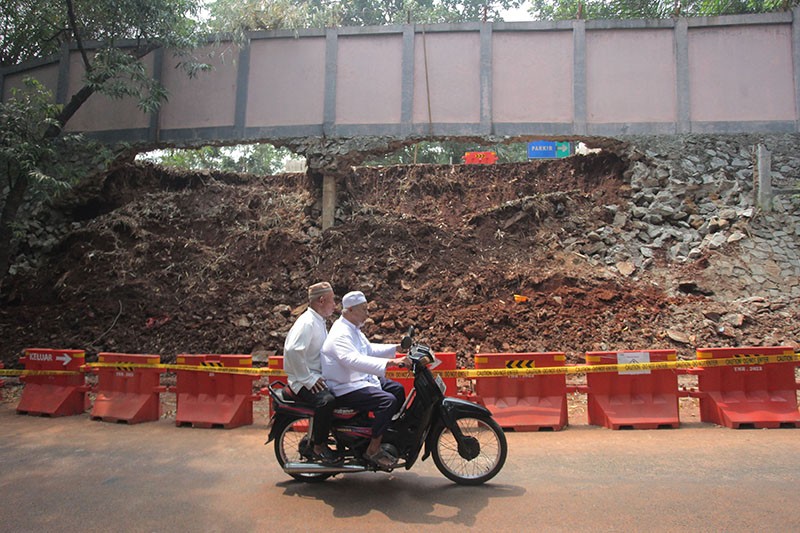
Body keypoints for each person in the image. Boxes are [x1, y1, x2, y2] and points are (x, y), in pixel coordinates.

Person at [320, 290, 408, 470]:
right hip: (345, 386)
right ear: (350, 310)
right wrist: (391, 363)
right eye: (363, 309)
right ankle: (373, 449)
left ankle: (385, 433)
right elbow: (352, 360)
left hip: (359, 380)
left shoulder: (354, 329)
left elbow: (368, 350)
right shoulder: (340, 333)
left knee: (397, 389)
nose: (367, 313)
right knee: (387, 401)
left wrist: (397, 347)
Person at [283, 281, 341, 465]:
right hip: (303, 381)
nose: (335, 305)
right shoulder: (307, 322)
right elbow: (293, 350)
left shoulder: (318, 320)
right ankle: (319, 446)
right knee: (327, 401)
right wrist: (307, 378)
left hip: (316, 376)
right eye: (332, 301)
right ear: (321, 300)